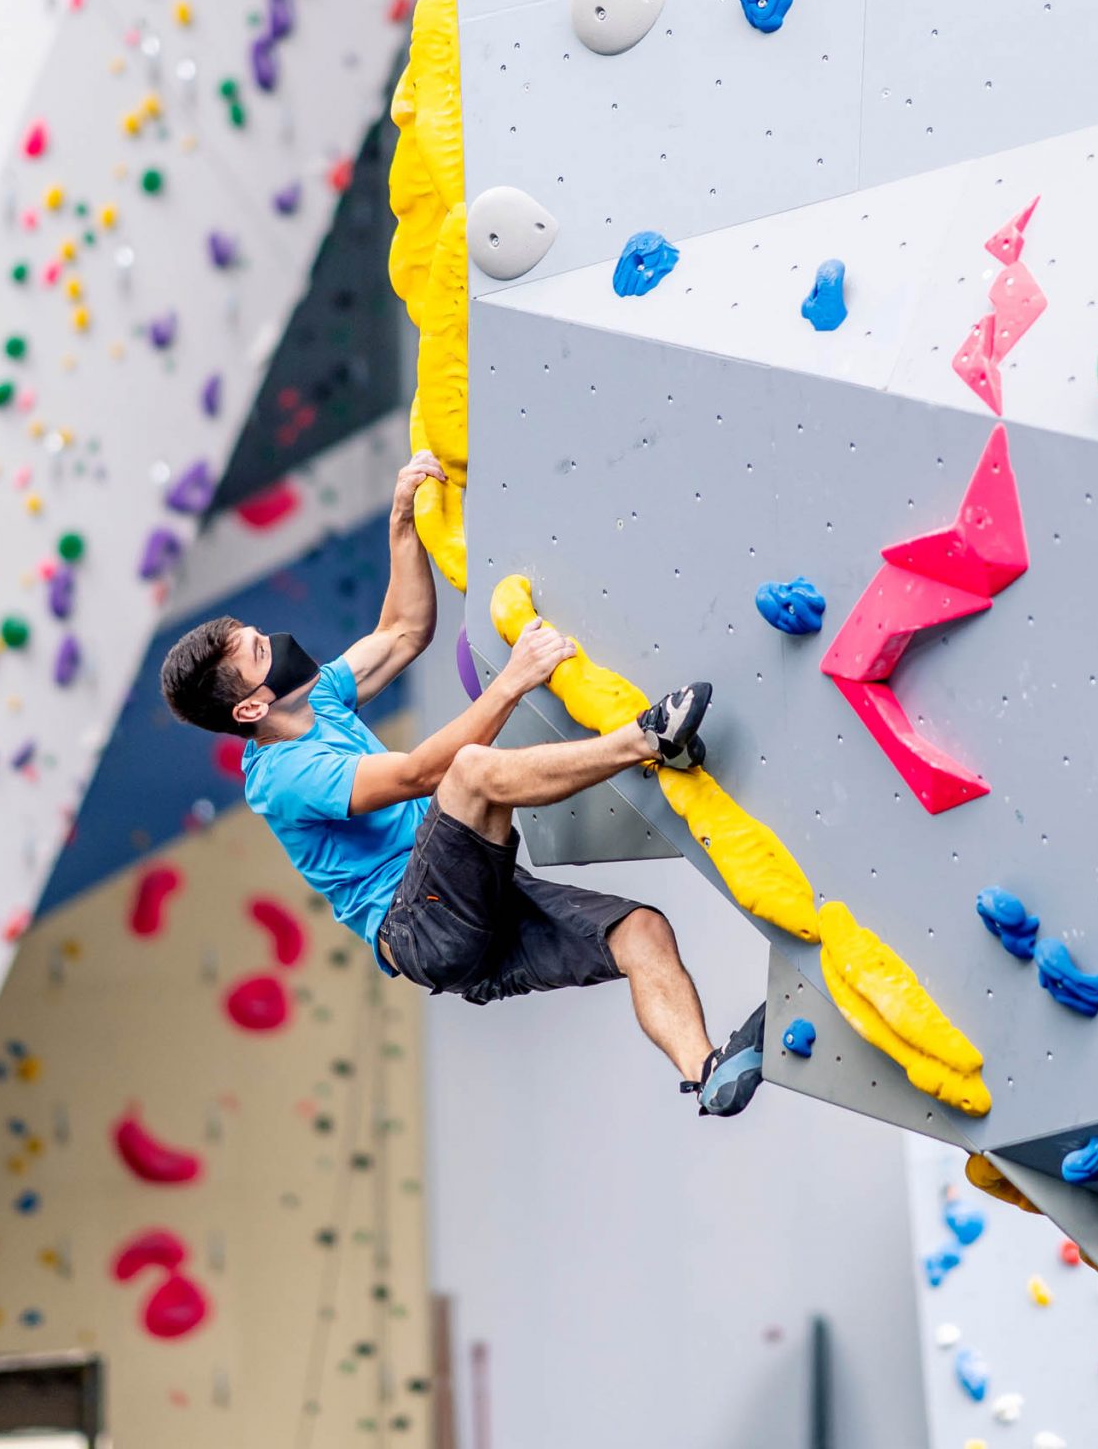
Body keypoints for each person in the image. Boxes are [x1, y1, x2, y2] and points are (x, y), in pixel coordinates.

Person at [158, 452, 765, 1116]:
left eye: (255, 634)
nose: (273, 640)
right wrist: (513, 679)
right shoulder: (284, 777)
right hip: (420, 924)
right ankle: (648, 740)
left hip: (474, 907)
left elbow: (402, 630)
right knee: (471, 771)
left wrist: (401, 524)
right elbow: (420, 772)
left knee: (640, 931)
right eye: (257, 652)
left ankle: (707, 1073)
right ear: (250, 708)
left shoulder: (317, 699)